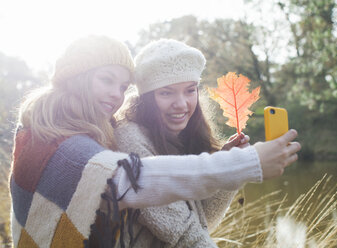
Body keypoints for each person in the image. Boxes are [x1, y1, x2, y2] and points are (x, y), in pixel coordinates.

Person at [9, 35, 301, 248]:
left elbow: (194, 222)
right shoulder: (68, 148)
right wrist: (246, 164)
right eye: (106, 80)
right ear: (76, 78)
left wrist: (230, 176)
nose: (116, 94)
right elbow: (138, 180)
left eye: (123, 86)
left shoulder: (71, 133)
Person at [115, 38, 252, 247]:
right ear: (147, 98)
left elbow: (201, 223)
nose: (181, 104)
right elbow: (184, 234)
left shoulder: (182, 138)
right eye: (166, 92)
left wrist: (226, 167)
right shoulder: (129, 140)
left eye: (190, 90)